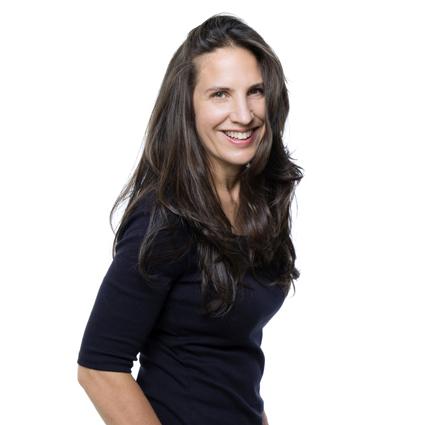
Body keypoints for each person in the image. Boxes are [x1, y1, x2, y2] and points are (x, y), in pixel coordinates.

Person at [77, 12, 303, 425]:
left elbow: (231, 360)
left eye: (255, 91)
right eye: (219, 94)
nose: (244, 113)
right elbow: (99, 367)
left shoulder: (258, 203)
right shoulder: (163, 218)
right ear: (188, 106)